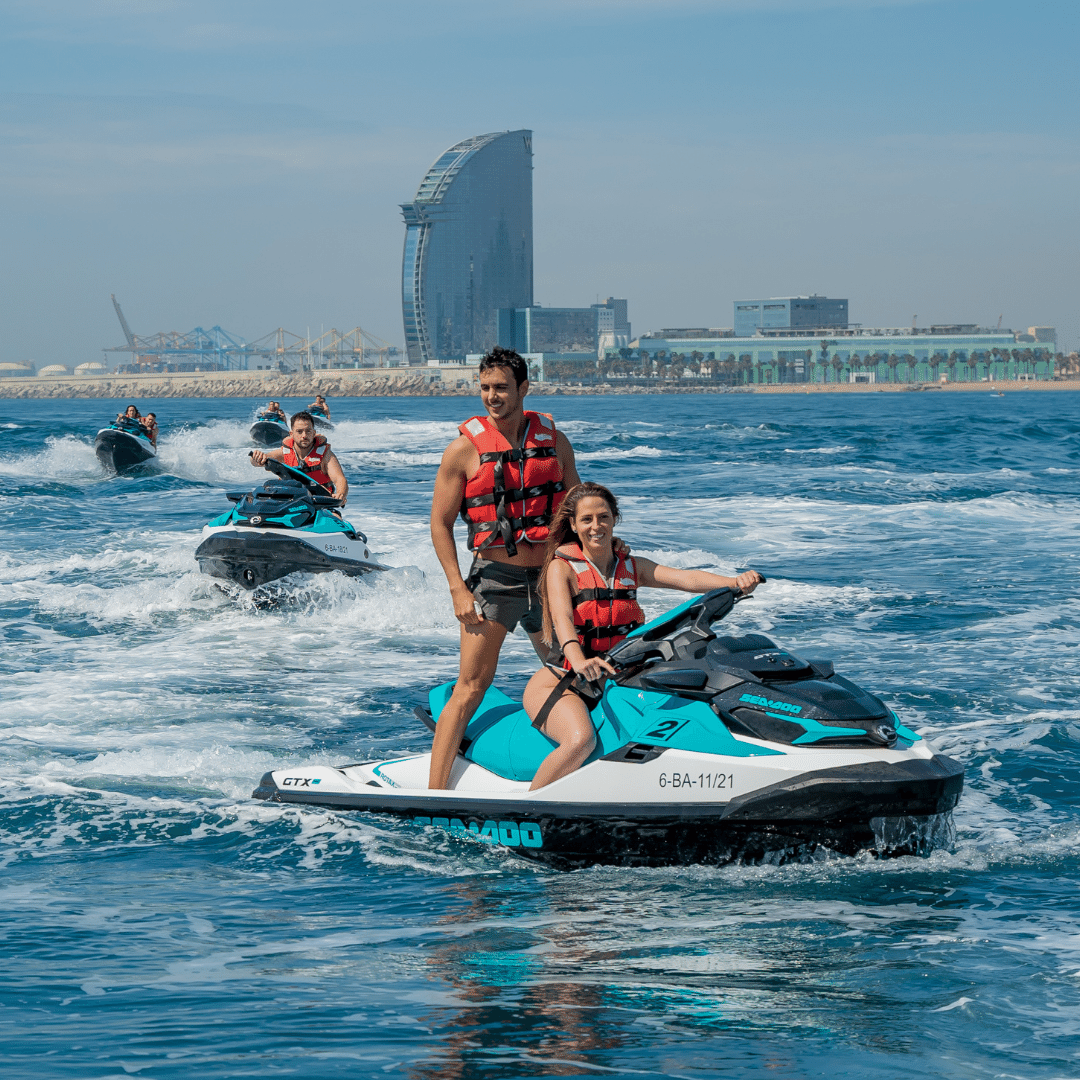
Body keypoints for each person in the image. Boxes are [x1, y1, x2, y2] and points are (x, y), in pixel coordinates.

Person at [522, 482, 765, 790]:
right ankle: (528, 813)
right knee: (580, 740)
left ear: (614, 519)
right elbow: (562, 618)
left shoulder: (630, 566)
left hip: (613, 681)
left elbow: (685, 578)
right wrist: (579, 660)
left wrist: (733, 583)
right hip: (563, 683)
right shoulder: (563, 568)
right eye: (586, 519)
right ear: (573, 524)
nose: (596, 526)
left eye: (603, 517)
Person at [428, 346, 583, 790]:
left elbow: (576, 509)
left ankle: (575, 760)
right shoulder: (463, 451)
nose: (491, 397)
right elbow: (440, 524)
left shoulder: (553, 440)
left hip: (549, 576)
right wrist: (458, 588)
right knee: (471, 686)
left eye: (500, 388)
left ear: (523, 388)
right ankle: (435, 793)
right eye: (484, 388)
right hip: (495, 582)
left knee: (569, 670)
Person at [250, 411, 348, 502]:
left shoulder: (326, 455)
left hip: (320, 504)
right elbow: (259, 461)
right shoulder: (284, 453)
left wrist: (341, 493)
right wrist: (256, 457)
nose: (304, 435)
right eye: (299, 431)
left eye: (308, 431)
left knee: (334, 519)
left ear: (314, 433)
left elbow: (339, 479)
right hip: (290, 503)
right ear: (291, 434)